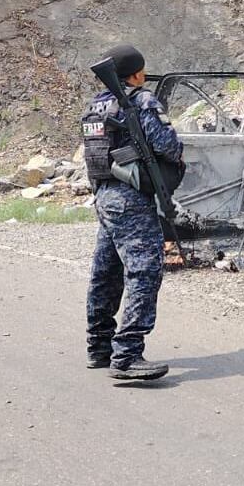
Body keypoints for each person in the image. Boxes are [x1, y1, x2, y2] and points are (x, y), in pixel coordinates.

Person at [81, 44, 182, 381]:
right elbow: (167, 145)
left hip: (104, 195)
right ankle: (126, 355)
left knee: (106, 272)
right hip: (130, 199)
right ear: (137, 74)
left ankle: (99, 347)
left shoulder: (96, 105)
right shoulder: (141, 101)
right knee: (145, 271)